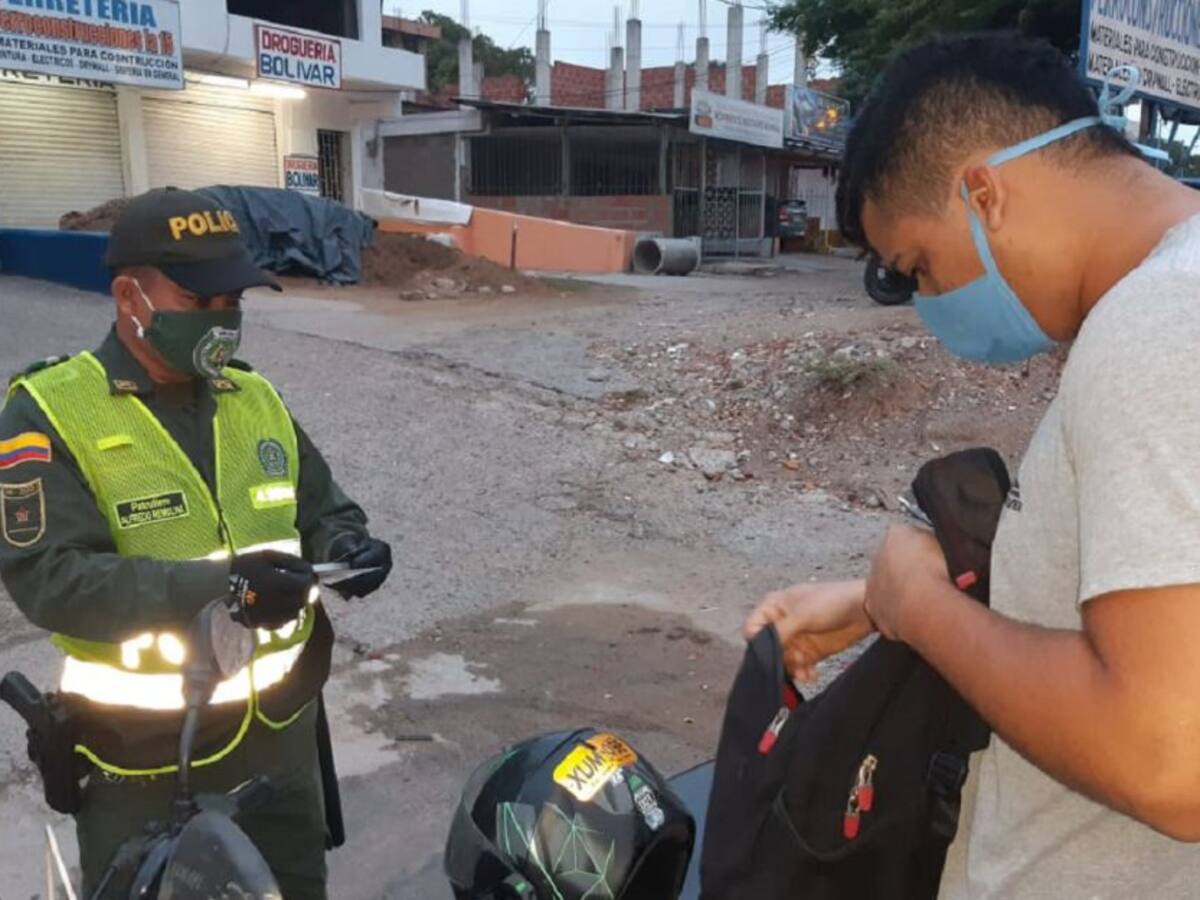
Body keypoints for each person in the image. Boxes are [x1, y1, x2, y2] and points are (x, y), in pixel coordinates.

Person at [745, 33, 1200, 898]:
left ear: (984, 193)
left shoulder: (1159, 329)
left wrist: (918, 608)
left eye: (918, 266)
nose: (930, 306)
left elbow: (1171, 760)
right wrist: (877, 603)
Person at [0, 187, 392, 898]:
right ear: (130, 296)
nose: (224, 321)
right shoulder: (48, 410)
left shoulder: (256, 398)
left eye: (233, 302)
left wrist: (351, 544)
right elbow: (52, 579)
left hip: (281, 736)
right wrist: (224, 588)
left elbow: (321, 507)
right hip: (143, 755)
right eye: (201, 303)